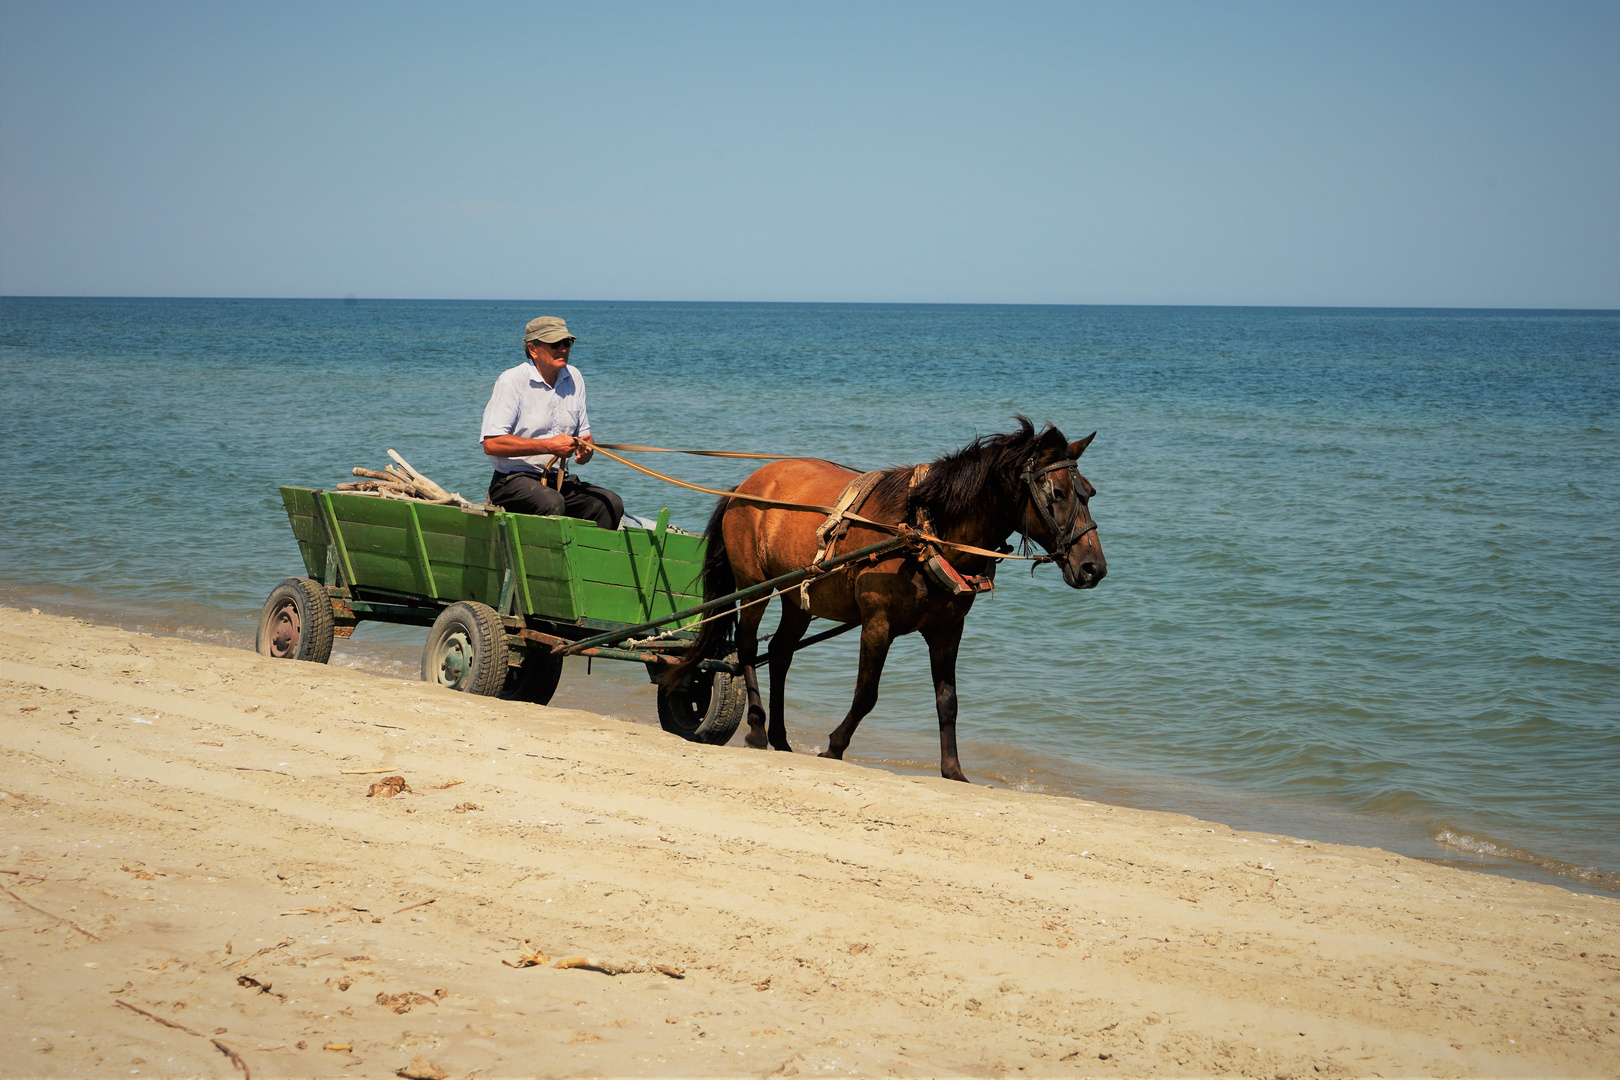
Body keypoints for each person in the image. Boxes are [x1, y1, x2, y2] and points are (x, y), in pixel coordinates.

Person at [480, 316, 624, 530]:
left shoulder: (574, 377)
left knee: (610, 503)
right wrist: (549, 445)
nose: (563, 349)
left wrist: (586, 449)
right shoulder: (511, 381)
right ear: (533, 349)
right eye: (555, 344)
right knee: (552, 503)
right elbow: (492, 444)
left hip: (557, 479)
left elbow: (585, 434)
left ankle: (592, 561)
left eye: (567, 343)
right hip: (512, 480)